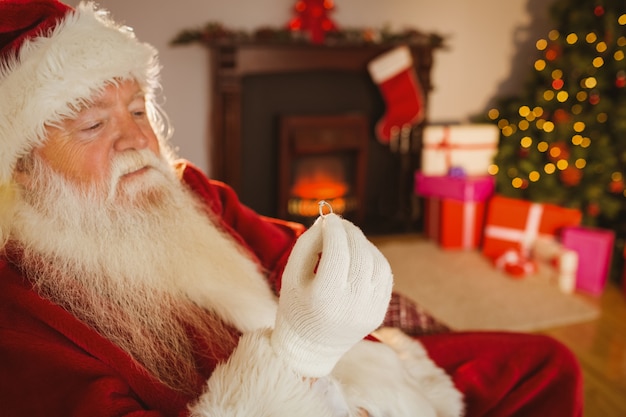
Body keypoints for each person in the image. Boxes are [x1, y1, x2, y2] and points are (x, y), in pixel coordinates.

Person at [0, 1, 584, 416]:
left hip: (352, 370)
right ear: (22, 164)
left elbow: (282, 250)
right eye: (94, 124)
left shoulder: (189, 189)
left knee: (547, 364)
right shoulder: (20, 316)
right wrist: (301, 357)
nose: (137, 141)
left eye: (136, 109)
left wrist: (334, 259)